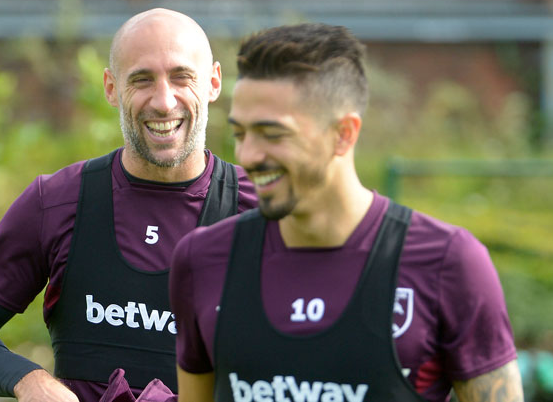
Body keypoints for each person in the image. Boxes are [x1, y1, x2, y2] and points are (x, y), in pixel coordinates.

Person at [169, 23, 524, 402]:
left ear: (344, 133)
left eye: (272, 134)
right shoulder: (203, 261)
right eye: (241, 134)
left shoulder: (449, 262)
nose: (249, 155)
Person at [0, 8, 257, 402]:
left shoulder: (263, 213)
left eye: (181, 77)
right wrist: (31, 382)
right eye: (141, 79)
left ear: (213, 82)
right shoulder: (56, 201)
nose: (163, 100)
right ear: (110, 87)